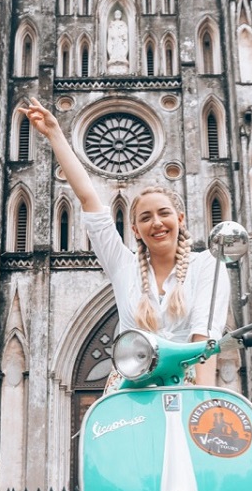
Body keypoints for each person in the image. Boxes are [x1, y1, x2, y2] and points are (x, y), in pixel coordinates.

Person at [23, 95, 229, 385]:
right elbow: (88, 198)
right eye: (145, 218)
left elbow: (204, 339)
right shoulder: (123, 267)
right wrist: (55, 133)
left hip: (185, 387)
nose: (156, 223)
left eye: (163, 214)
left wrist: (202, 404)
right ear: (134, 229)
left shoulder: (208, 265)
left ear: (179, 219)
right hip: (130, 391)